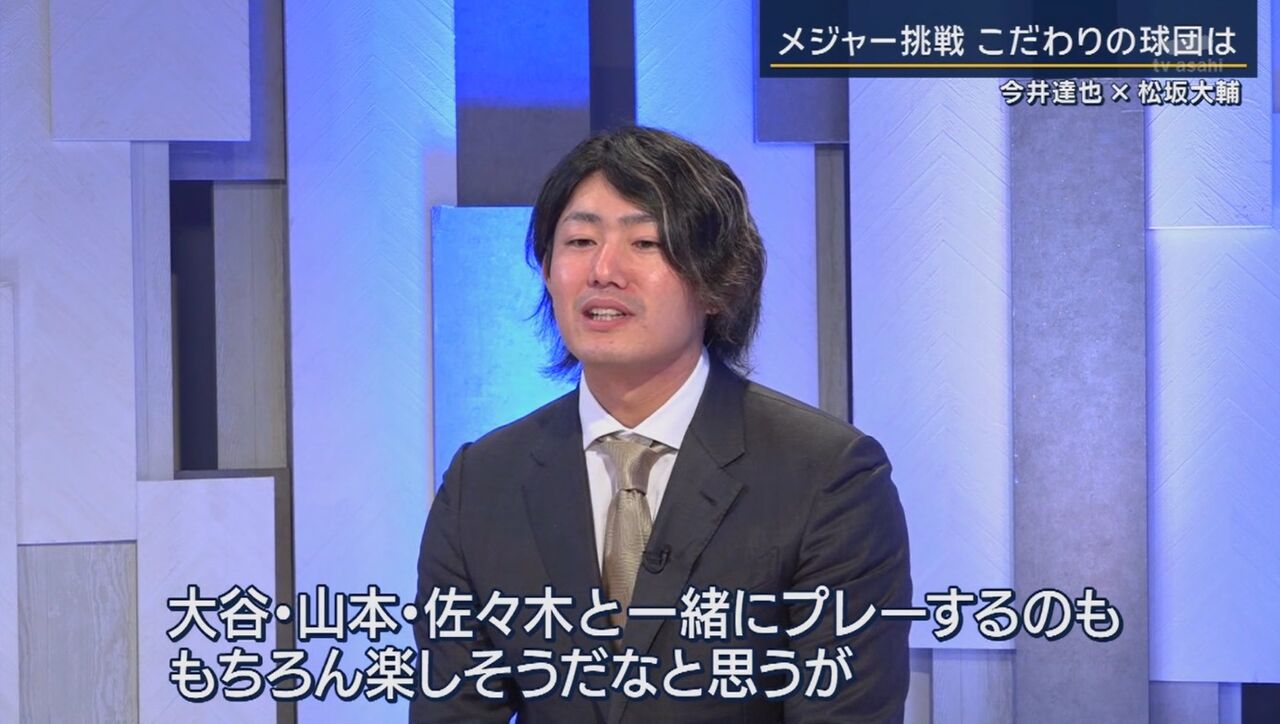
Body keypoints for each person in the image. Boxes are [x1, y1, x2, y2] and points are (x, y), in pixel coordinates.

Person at [411, 125, 911, 723]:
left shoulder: (827, 477)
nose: (603, 270)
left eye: (645, 242)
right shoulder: (483, 483)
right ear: (546, 270)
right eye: (579, 240)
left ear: (719, 282)